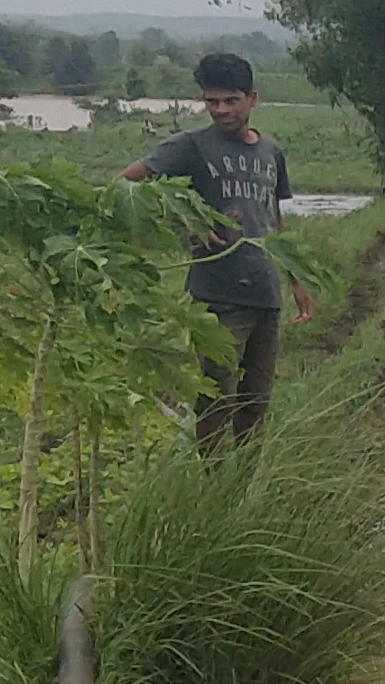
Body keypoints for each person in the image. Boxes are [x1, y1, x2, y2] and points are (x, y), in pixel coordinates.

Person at [121, 50, 313, 450]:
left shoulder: (270, 152)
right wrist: (185, 219)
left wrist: (296, 281)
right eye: (212, 102)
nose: (221, 110)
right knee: (215, 400)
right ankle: (212, 487)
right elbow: (126, 185)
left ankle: (242, 489)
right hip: (217, 297)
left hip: (265, 294)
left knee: (256, 403)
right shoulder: (189, 146)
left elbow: (273, 219)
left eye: (231, 100)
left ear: (252, 99)